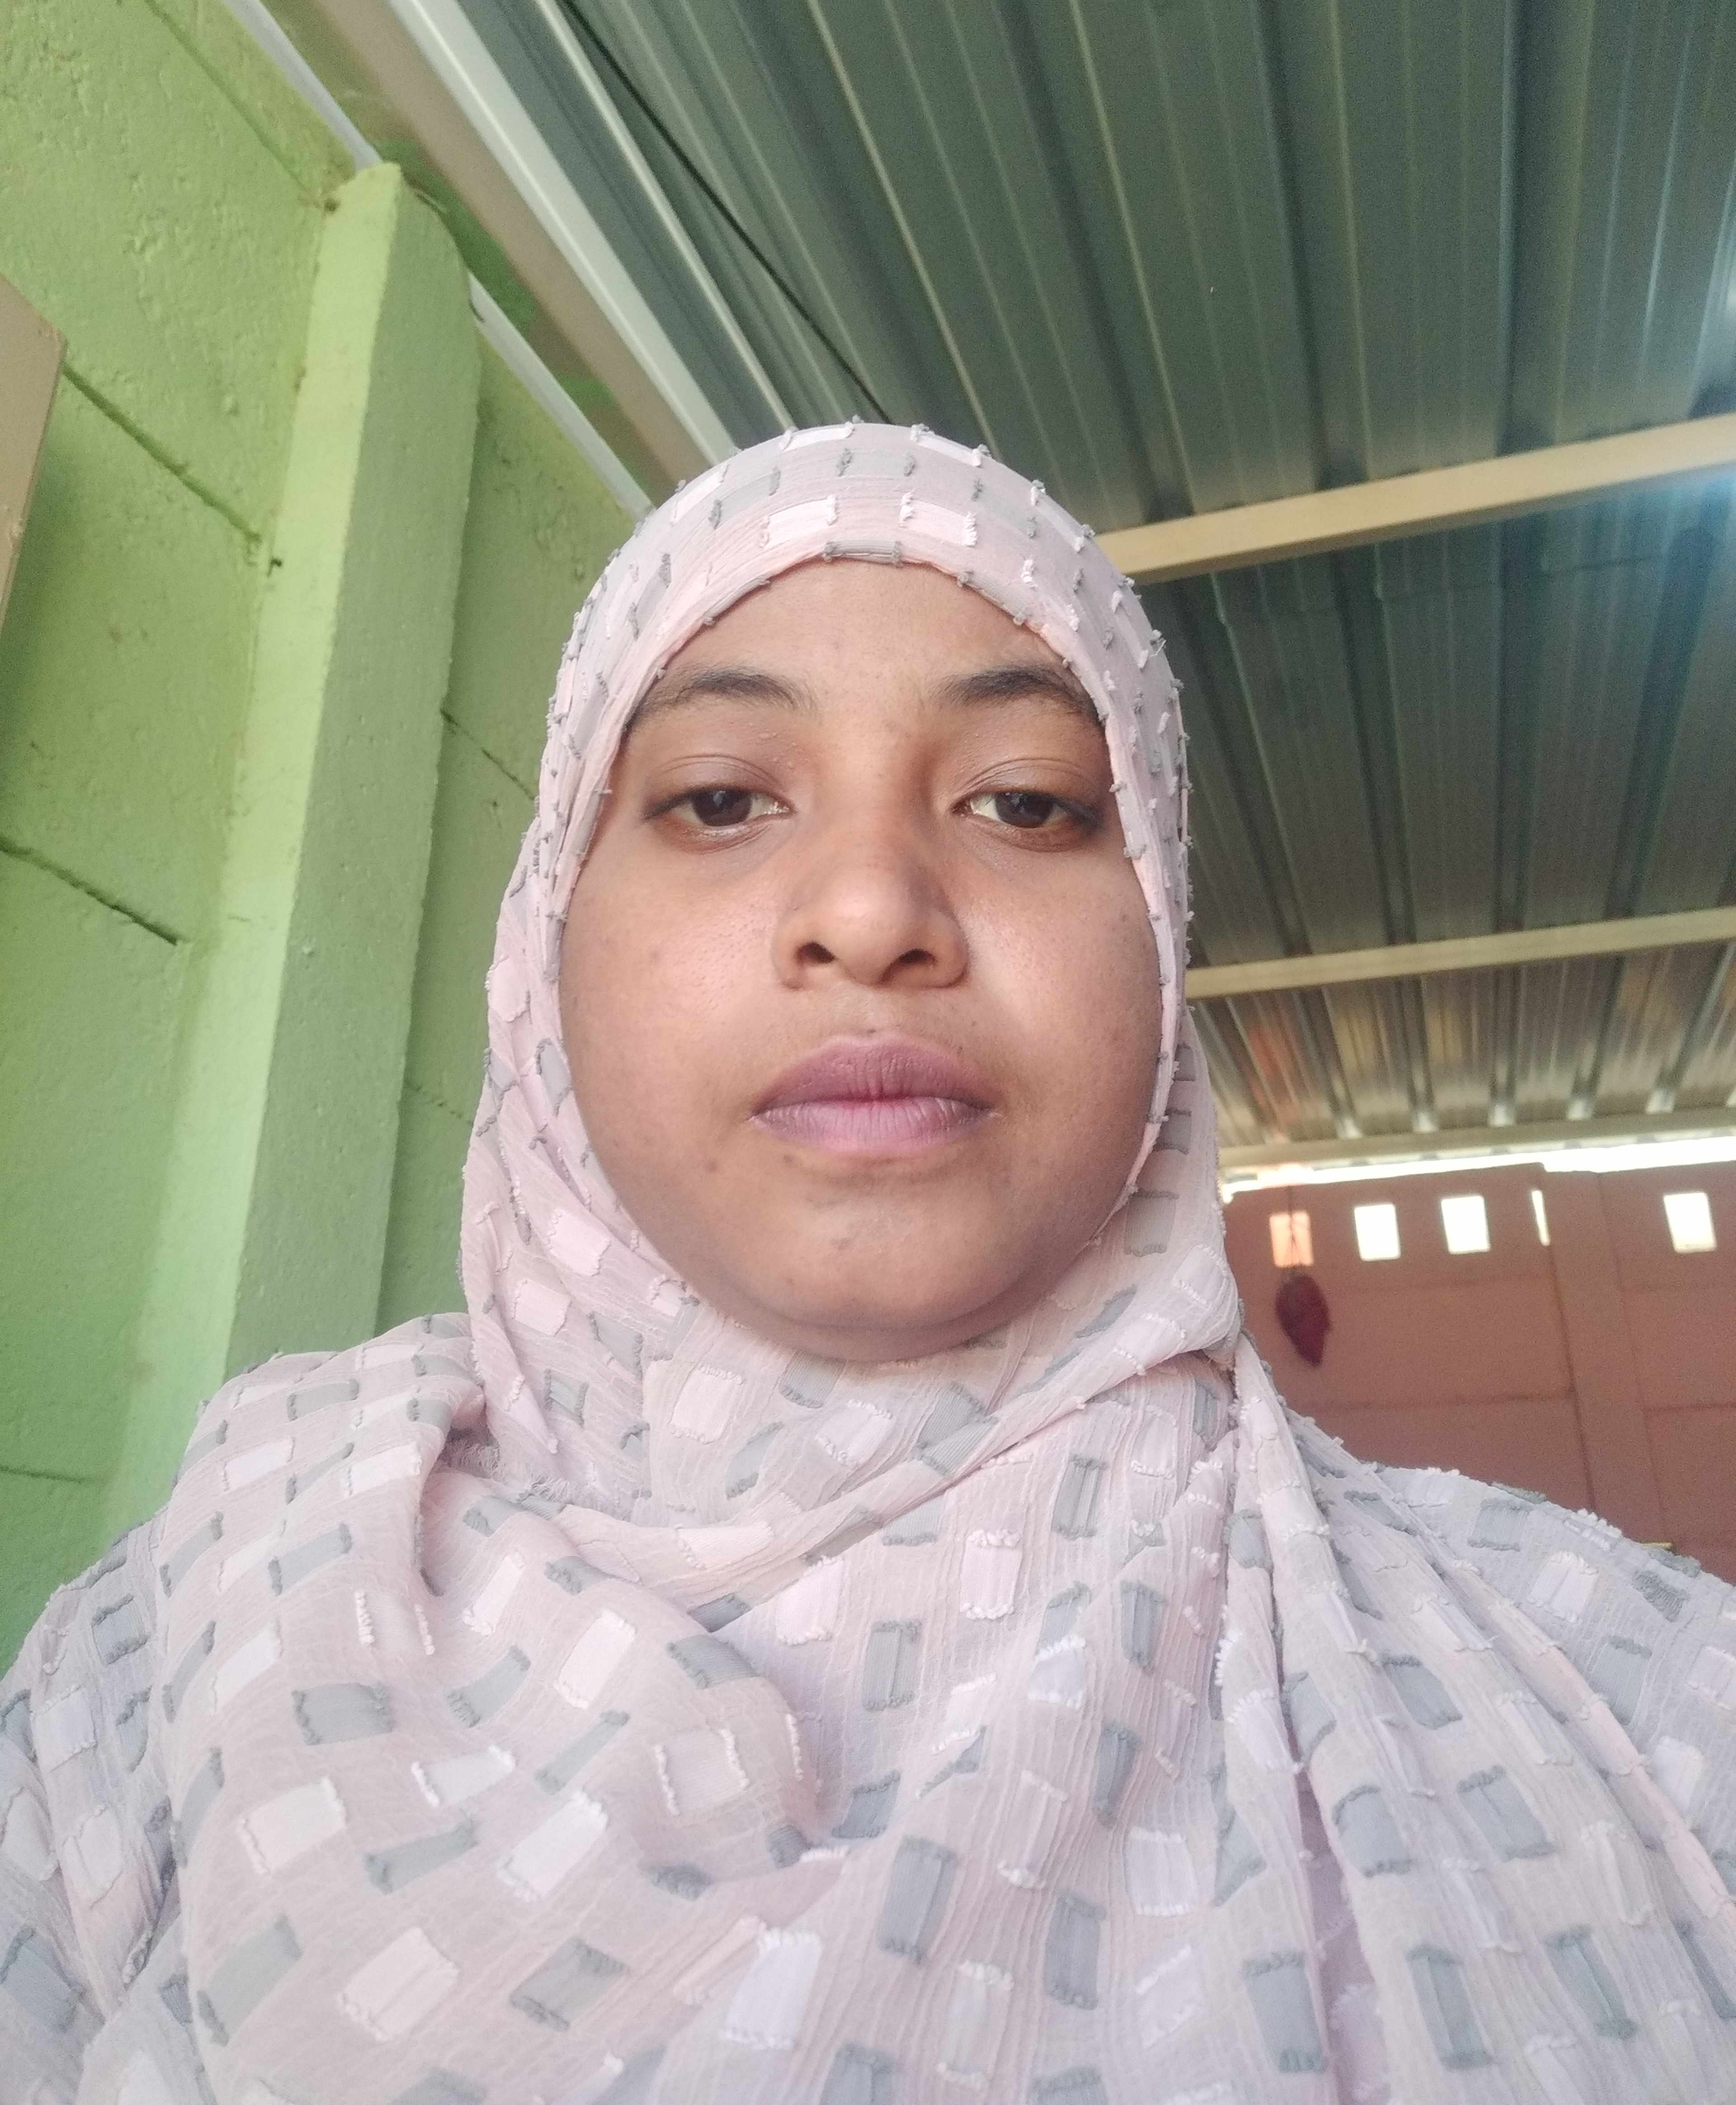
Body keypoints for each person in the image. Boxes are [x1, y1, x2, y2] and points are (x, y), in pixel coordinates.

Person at [3, 424, 1734, 2105]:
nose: (873, 908)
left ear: (1162, 938)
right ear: (547, 943)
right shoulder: (190, 1648)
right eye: (720, 798)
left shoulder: (1633, 1707)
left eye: (1027, 802)